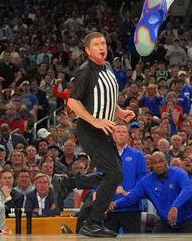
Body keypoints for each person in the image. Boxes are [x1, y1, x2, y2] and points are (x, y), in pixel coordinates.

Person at [63, 32, 135, 238]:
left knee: (114, 174)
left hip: (105, 129)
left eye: (103, 43)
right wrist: (94, 120)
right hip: (90, 130)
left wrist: (120, 112)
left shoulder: (108, 66)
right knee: (114, 174)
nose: (102, 47)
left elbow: (106, 97)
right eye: (96, 44)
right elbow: (72, 101)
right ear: (88, 50)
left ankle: (70, 183)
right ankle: (92, 222)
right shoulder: (85, 70)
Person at [110, 151, 192, 233]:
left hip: (191, 218)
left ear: (166, 162)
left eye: (161, 161)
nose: (159, 165)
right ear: (151, 165)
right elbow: (131, 197)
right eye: (155, 163)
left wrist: (175, 206)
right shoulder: (145, 182)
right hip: (166, 222)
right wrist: (114, 204)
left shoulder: (179, 173)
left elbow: (187, 189)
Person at [105, 122, 147, 233]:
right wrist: (98, 196)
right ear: (113, 135)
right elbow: (98, 178)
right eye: (118, 131)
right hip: (108, 208)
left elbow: (142, 181)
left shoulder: (138, 155)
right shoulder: (106, 155)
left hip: (131, 209)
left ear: (128, 136)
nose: (121, 134)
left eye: (124, 132)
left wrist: (129, 194)